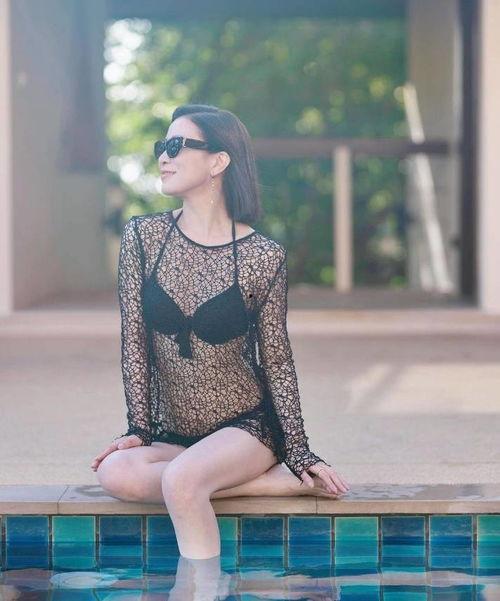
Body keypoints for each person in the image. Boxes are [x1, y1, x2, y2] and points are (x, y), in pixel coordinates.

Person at [91, 104, 349, 560]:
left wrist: (299, 451)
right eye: (161, 146)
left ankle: (201, 588)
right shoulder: (143, 237)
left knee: (181, 480)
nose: (163, 156)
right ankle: (268, 485)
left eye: (176, 146)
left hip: (245, 428)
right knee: (114, 472)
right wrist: (139, 428)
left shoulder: (262, 256)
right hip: (174, 432)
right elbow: (134, 342)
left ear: (219, 161)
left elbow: (276, 361)